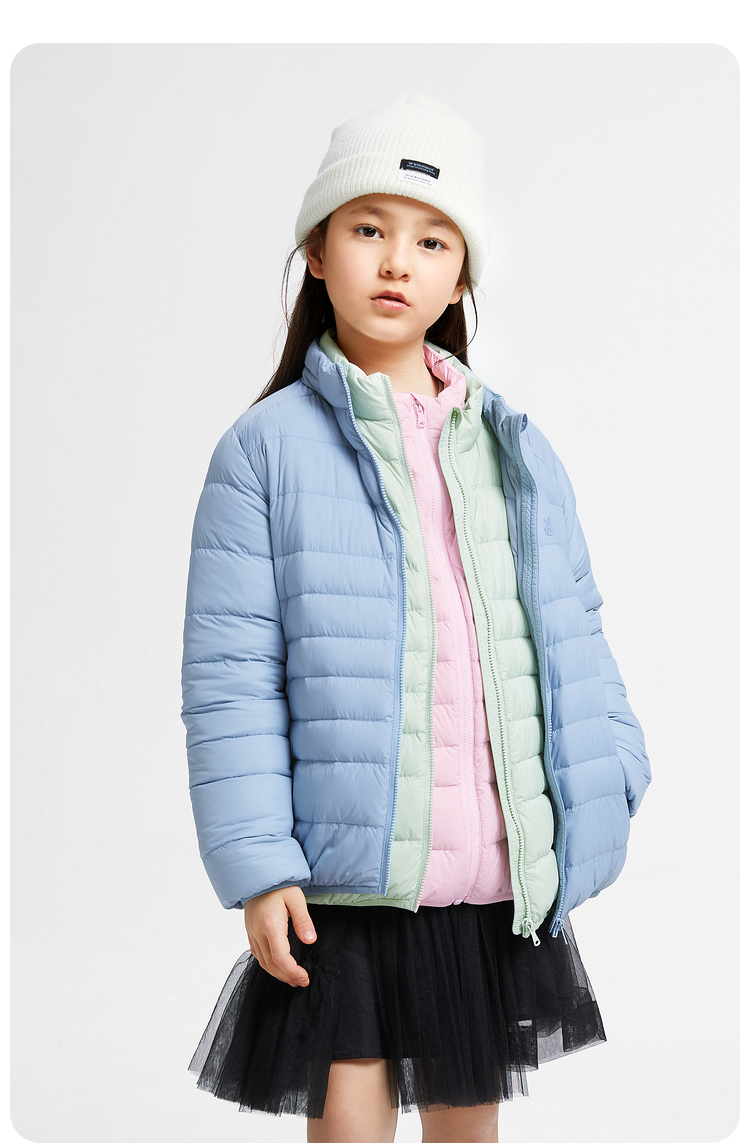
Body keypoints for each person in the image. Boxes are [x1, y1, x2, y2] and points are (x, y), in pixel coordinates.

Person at [181, 93, 652, 1143]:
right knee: (350, 1119)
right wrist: (260, 864)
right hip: (343, 882)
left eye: (433, 241)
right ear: (316, 253)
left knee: (466, 1125)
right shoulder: (264, 451)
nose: (398, 262)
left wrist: (616, 770)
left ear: (460, 277)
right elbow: (230, 677)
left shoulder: (514, 448)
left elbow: (575, 628)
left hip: (484, 877)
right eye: (368, 229)